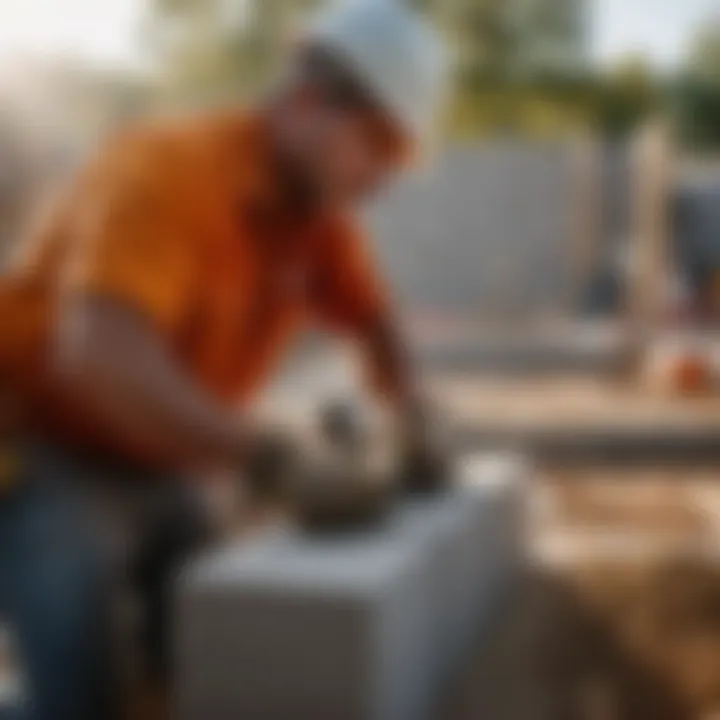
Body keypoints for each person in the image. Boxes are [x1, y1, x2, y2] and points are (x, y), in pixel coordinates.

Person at [0, 1, 448, 718]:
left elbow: (376, 322)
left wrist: (414, 407)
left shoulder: (316, 217)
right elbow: (96, 358)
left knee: (213, 657)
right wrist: (274, 457)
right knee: (83, 700)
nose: (385, 179)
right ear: (307, 104)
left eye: (399, 158)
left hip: (159, 459)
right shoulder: (164, 169)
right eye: (379, 146)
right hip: (48, 451)